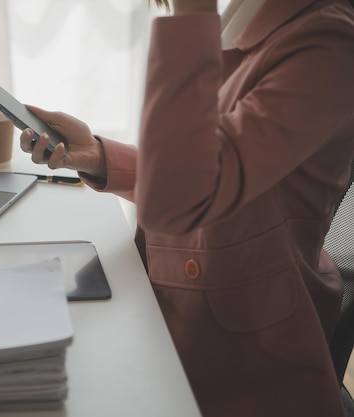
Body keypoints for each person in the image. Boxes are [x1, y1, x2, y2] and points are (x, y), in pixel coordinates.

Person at [20, 0, 354, 416]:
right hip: (186, 319)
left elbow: (183, 194)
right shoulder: (247, 19)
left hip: (243, 368)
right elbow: (201, 167)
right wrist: (99, 157)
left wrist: (192, 17)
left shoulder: (328, 45)